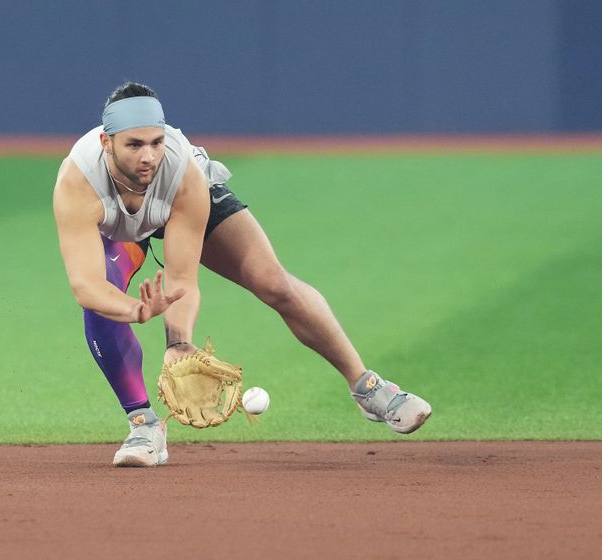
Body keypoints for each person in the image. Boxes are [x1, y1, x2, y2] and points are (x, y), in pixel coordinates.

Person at [53, 82, 432, 467]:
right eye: (134, 145)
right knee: (103, 309)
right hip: (118, 226)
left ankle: (369, 388)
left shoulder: (182, 172)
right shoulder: (78, 182)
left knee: (274, 283)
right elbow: (86, 285)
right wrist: (134, 310)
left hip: (177, 206)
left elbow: (182, 280)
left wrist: (178, 344)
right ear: (106, 142)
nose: (149, 155)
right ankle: (144, 425)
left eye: (156, 142)